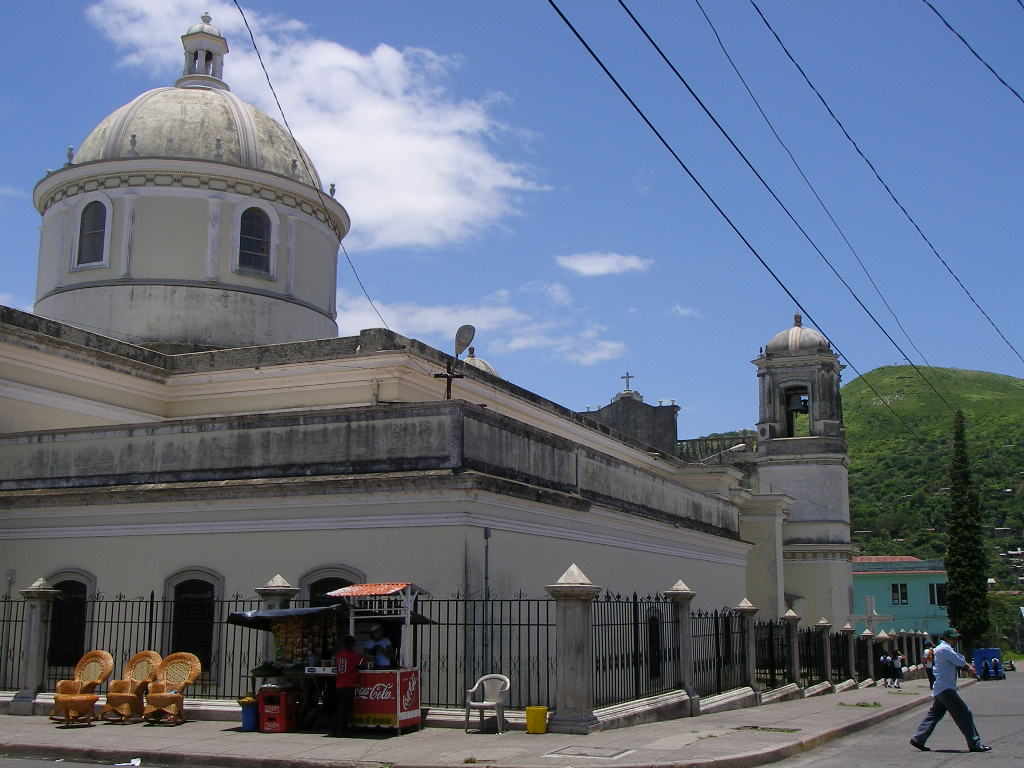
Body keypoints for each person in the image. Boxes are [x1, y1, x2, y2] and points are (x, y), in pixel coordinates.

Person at [910, 635, 991, 752]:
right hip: (946, 689)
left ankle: (918, 738)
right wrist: (969, 667)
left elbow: (958, 661)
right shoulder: (945, 649)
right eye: (954, 638)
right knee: (965, 714)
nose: (955, 640)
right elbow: (959, 660)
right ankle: (975, 743)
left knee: (934, 715)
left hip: (941, 688)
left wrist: (968, 667)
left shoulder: (941, 648)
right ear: (947, 638)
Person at [332, 635, 366, 737]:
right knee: (345, 709)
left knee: (340, 708)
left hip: (339, 684)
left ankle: (335, 730)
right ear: (352, 645)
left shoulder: (339, 655)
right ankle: (342, 731)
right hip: (349, 684)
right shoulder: (355, 656)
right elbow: (365, 662)